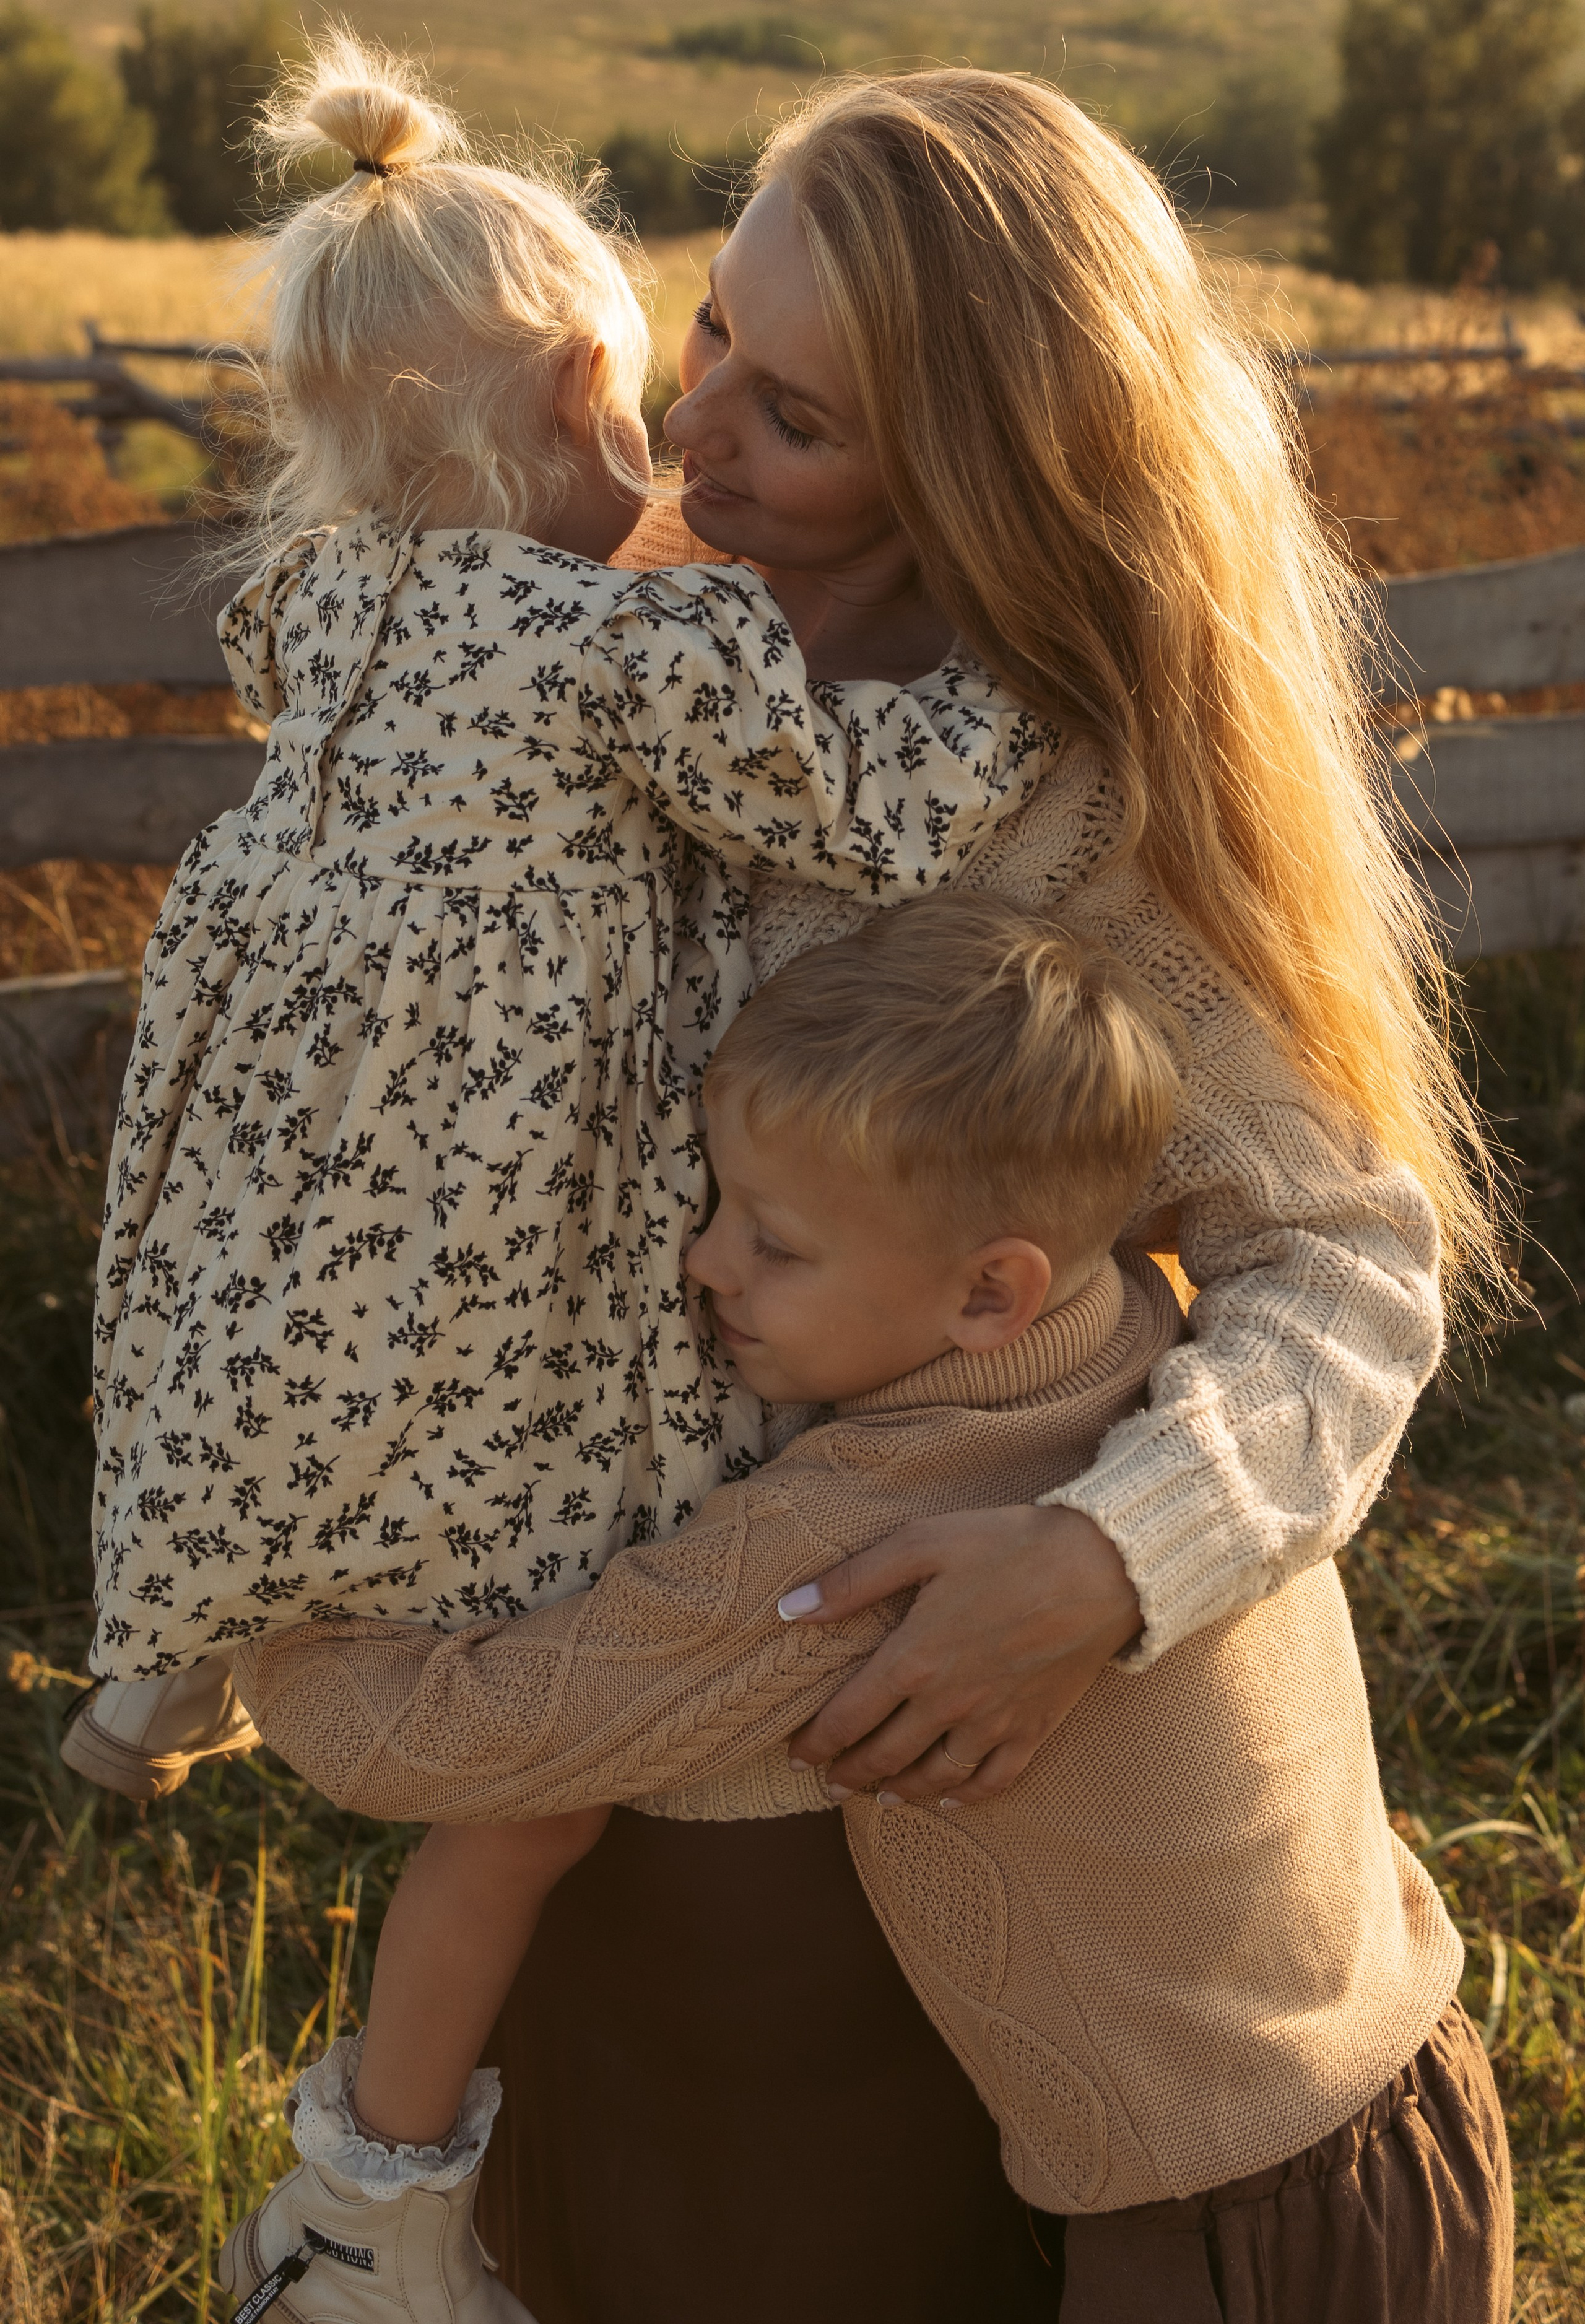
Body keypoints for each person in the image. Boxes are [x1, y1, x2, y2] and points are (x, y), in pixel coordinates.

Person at [237, 894, 1511, 2324]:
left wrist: (256, 1599)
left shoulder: (859, 1534)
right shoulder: (1144, 1340)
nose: (705, 1266)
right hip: (1398, 2099)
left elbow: (449, 1742)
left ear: (987, 1290)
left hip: (1212, 2239)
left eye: (768, 1244)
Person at [64, 37, 1061, 1810]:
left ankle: (168, 1646)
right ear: (587, 383)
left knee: (265, 1319)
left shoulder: (308, 592)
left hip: (278, 1066)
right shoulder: (619, 643)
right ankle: (534, 1648)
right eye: (666, 387)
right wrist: (1017, 690)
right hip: (493, 1101)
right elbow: (866, 816)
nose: (681, 444)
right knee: (515, 1343)